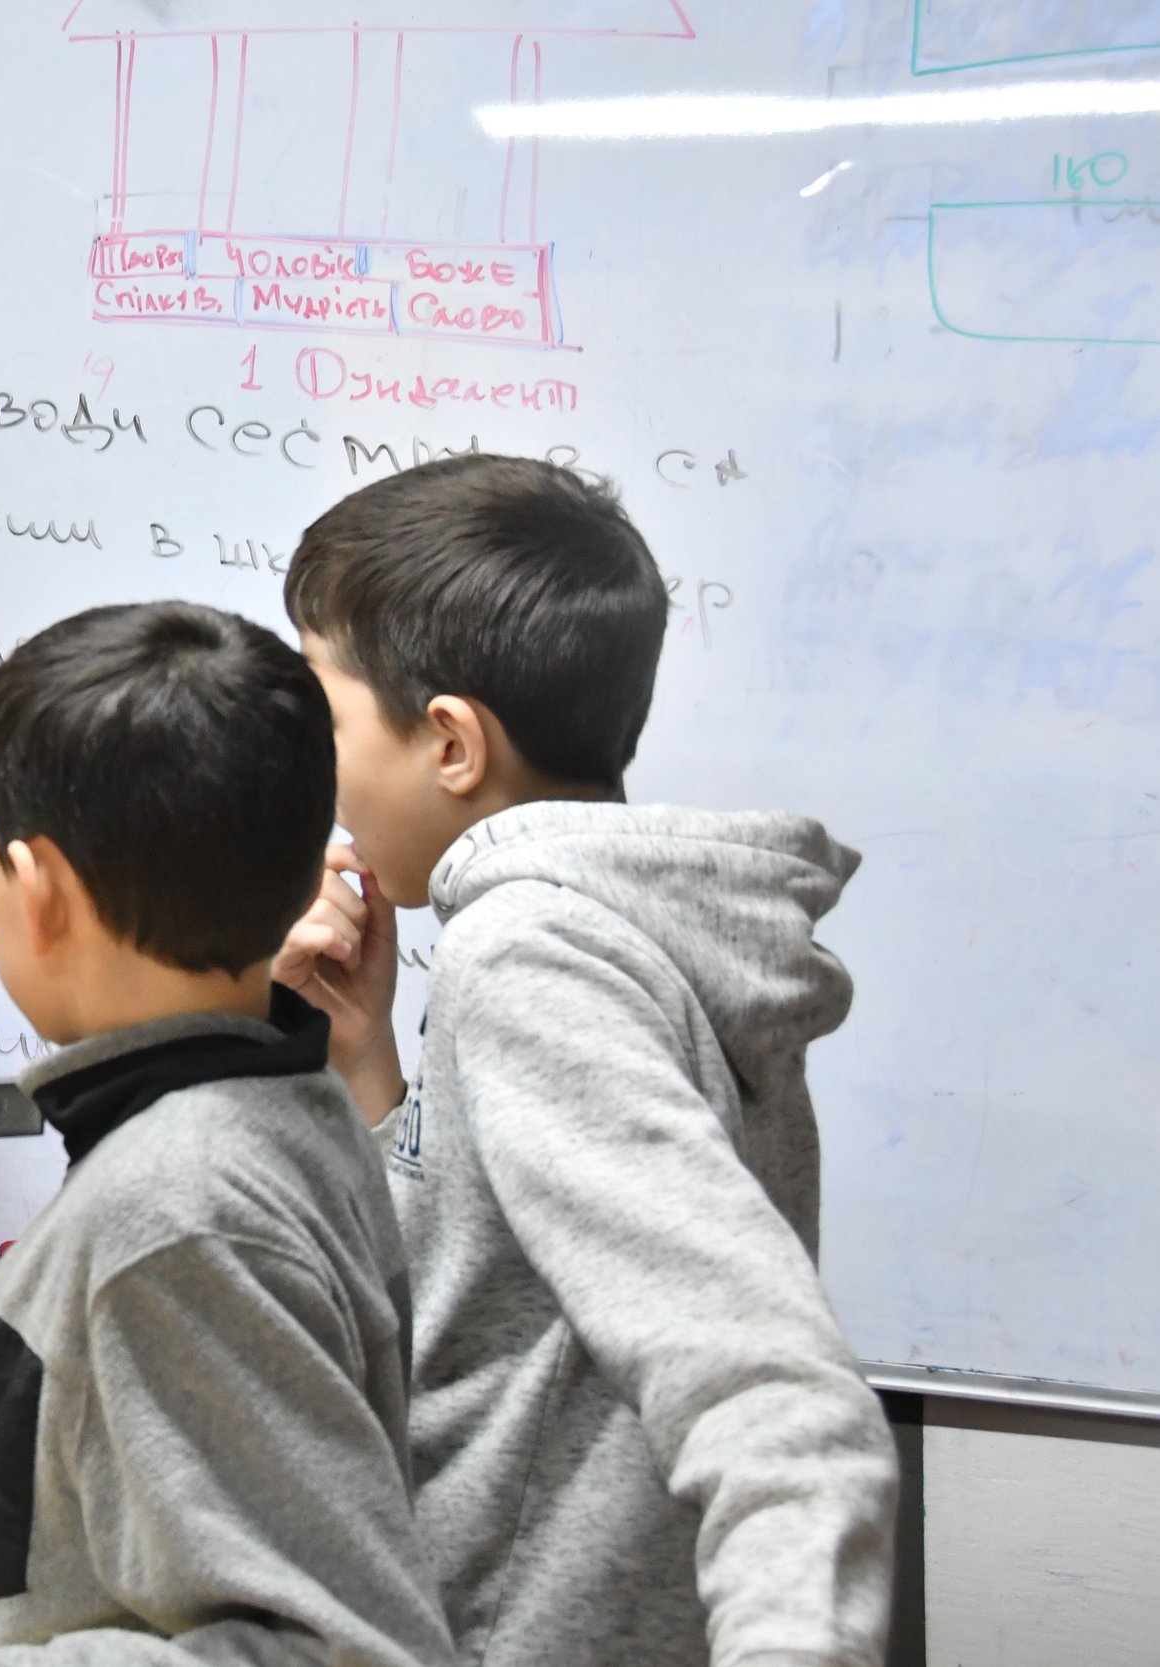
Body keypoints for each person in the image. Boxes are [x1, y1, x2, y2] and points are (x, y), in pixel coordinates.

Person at [271, 454, 898, 1666]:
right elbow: (495, 1293)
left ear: (448, 742)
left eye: (323, 713)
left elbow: (775, 1393)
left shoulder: (528, 951)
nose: (312, 764)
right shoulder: (612, 925)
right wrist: (368, 1067)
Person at [0, 603, 458, 1667]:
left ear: (37, 893)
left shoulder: (176, 1213)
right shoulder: (261, 1114)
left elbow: (341, 1647)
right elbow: (71, 1502)